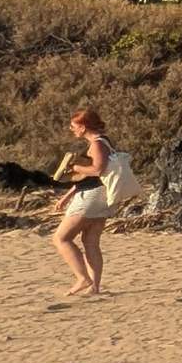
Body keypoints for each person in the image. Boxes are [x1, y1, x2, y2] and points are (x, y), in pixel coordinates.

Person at [50, 107, 136, 298]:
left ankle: (83, 278)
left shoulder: (96, 144)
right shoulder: (103, 142)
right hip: (102, 195)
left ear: (83, 126)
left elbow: (97, 170)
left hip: (92, 196)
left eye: (74, 126)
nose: (71, 129)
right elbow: (89, 177)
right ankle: (94, 286)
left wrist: (74, 166)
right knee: (90, 241)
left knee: (60, 238)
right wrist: (67, 196)